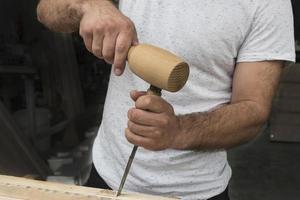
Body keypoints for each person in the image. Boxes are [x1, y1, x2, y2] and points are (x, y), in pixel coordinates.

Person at [36, 0, 295, 199]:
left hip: (196, 192)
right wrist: (88, 6)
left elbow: (253, 110)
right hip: (108, 177)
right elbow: (46, 9)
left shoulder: (269, 5)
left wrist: (177, 131)